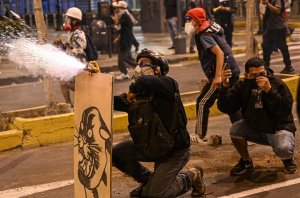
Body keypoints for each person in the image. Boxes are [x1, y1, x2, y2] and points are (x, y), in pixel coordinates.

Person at [113, 48, 206, 197]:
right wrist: (96, 81)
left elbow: (144, 81)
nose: (139, 67)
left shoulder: (169, 85)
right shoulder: (138, 95)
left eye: (144, 63)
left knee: (154, 196)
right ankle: (147, 180)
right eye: (138, 63)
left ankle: (190, 176)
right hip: (151, 145)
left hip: (174, 150)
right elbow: (110, 101)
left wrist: (133, 88)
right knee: (116, 153)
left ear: (158, 69)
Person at [217, 57, 297, 175]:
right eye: (254, 75)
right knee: (236, 129)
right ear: (247, 75)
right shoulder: (242, 86)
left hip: (278, 129)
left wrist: (269, 91)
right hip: (256, 127)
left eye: (262, 73)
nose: (260, 77)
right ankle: (246, 161)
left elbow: (284, 110)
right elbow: (226, 107)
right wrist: (224, 86)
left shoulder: (277, 83)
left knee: (284, 149)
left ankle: (288, 160)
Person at [185, 7, 241, 141]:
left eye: (189, 19)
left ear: (197, 21)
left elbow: (219, 53)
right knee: (230, 104)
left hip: (224, 73)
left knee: (203, 102)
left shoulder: (204, 35)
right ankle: (243, 132)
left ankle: (199, 135)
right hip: (230, 70)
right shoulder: (210, 28)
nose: (187, 23)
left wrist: (217, 77)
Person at [53, 7, 87, 107]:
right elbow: (68, 48)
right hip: (71, 65)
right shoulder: (71, 32)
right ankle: (69, 104)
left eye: (68, 18)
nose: (66, 21)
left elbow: (79, 51)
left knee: (65, 83)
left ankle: (81, 100)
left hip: (77, 65)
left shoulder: (79, 34)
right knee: (63, 82)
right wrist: (60, 45)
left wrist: (67, 53)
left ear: (75, 20)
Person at [261, 0, 294, 74]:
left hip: (278, 28)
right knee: (265, 46)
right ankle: (266, 67)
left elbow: (277, 11)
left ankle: (288, 66)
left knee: (283, 47)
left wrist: (267, 3)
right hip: (270, 28)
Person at [112, 1, 136, 80]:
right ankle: (139, 67)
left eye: (118, 8)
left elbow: (117, 23)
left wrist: (115, 14)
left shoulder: (124, 16)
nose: (116, 9)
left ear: (122, 8)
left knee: (121, 59)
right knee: (126, 58)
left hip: (126, 40)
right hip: (126, 39)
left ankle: (125, 73)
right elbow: (121, 29)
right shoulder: (124, 15)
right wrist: (118, 38)